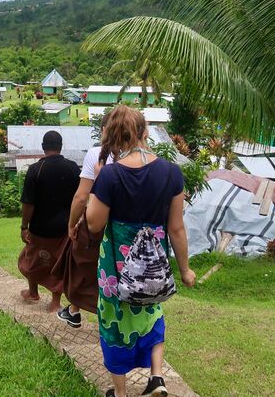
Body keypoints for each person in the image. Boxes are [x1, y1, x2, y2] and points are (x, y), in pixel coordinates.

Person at [86, 105, 195, 397]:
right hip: (153, 265)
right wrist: (185, 270)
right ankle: (156, 377)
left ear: (113, 136)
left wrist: (98, 181)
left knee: (113, 322)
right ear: (145, 132)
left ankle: (121, 393)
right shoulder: (171, 172)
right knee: (152, 311)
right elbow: (176, 228)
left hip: (117, 267)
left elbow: (94, 223)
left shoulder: (110, 175)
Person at [54, 114, 114, 328]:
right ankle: (74, 309)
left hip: (96, 222)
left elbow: (81, 196)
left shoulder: (97, 154)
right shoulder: (142, 158)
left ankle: (79, 310)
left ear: (104, 130)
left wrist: (72, 224)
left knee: (82, 264)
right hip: (126, 225)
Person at [18, 131, 80, 313]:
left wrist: (24, 227)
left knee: (31, 259)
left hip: (40, 228)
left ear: (43, 147)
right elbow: (80, 198)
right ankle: (55, 302)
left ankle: (33, 292)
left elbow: (28, 203)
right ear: (61, 147)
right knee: (58, 264)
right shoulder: (73, 168)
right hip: (64, 228)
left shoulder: (36, 169)